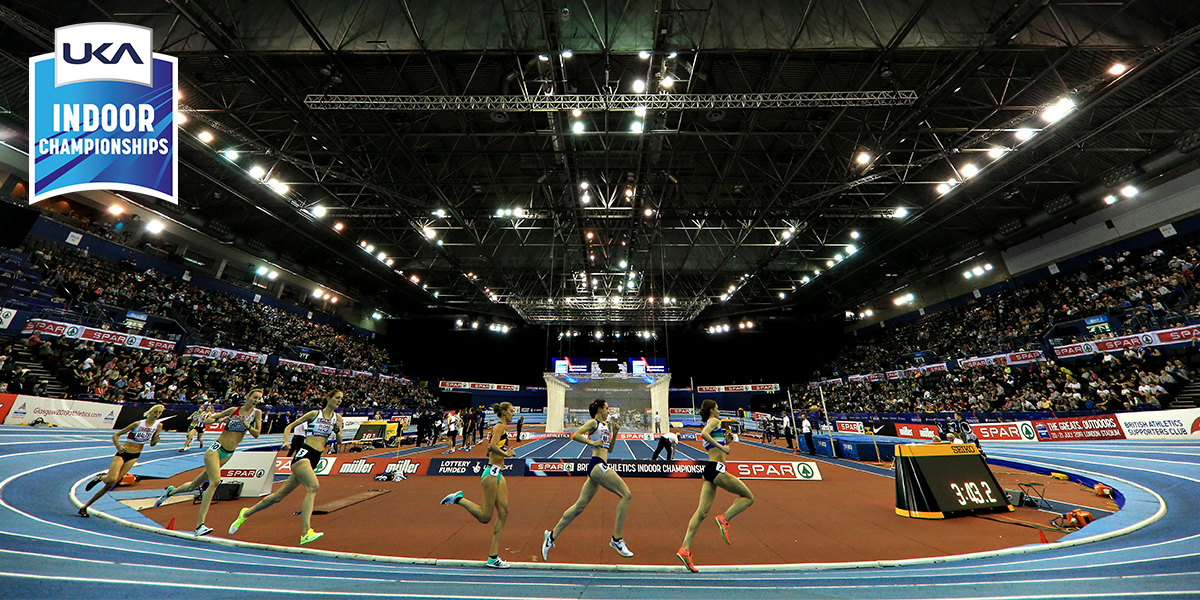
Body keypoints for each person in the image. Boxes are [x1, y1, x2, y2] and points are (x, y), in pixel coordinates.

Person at [228, 389, 344, 545]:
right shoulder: (314, 414)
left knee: (277, 497)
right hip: (304, 454)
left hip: (316, 457)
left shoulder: (338, 418)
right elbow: (290, 426)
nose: (339, 401)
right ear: (328, 397)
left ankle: (245, 513)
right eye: (337, 397)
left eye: (341, 399)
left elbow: (339, 441)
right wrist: (286, 442)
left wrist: (337, 431)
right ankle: (306, 532)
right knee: (313, 486)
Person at [152, 390, 263, 536]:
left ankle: (170, 491)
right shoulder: (233, 410)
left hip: (228, 453)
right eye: (254, 397)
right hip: (215, 449)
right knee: (215, 482)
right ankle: (200, 526)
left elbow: (257, 434)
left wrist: (246, 424)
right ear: (247, 397)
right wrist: (218, 420)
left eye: (259, 399)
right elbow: (209, 420)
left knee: (194, 485)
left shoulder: (257, 413)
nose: (256, 400)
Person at [542, 398, 634, 562]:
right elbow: (575, 435)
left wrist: (615, 433)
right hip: (597, 465)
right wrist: (591, 441)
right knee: (626, 494)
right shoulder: (594, 423)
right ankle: (617, 539)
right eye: (606, 408)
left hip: (600, 466)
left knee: (579, 506)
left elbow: (609, 450)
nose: (608, 411)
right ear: (599, 409)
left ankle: (551, 536)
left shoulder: (605, 426)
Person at [676, 399, 755, 573]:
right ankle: (724, 519)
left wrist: (726, 441)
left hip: (710, 469)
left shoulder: (711, 423)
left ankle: (685, 549)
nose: (719, 411)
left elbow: (711, 443)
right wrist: (724, 447)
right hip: (717, 469)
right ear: (712, 410)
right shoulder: (713, 421)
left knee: (701, 512)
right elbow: (704, 435)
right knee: (748, 497)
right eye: (717, 408)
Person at [440, 402, 516, 568]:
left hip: (498, 473)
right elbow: (491, 446)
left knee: (504, 512)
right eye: (511, 411)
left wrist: (500, 454)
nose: (513, 413)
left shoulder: (502, 429)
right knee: (485, 517)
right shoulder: (499, 427)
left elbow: (489, 451)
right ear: (503, 412)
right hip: (491, 475)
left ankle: (493, 557)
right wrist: (506, 454)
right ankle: (458, 499)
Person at [79, 405, 164, 517]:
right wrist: (118, 446)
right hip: (123, 453)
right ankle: (102, 477)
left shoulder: (159, 426)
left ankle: (85, 507)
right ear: (150, 412)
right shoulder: (137, 424)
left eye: (159, 413)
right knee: (111, 479)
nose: (157, 414)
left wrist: (156, 441)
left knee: (111, 484)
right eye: (155, 412)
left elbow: (152, 444)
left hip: (134, 456)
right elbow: (116, 435)